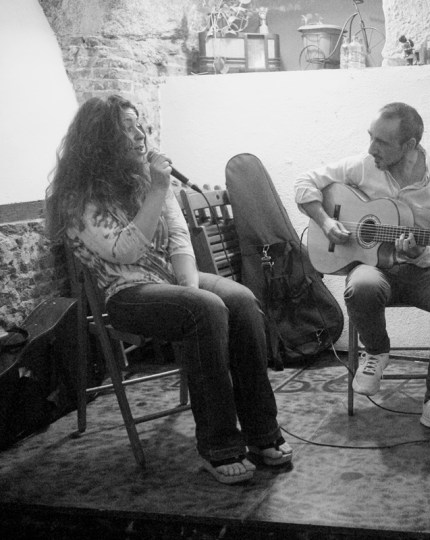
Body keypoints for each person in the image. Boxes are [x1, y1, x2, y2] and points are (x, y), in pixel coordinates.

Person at [44, 94, 292, 484]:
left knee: (241, 300)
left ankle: (262, 433)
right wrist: (158, 190)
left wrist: (191, 288)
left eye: (139, 125)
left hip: (170, 283)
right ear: (101, 139)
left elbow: (178, 238)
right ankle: (220, 446)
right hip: (126, 295)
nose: (140, 135)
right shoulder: (78, 197)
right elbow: (124, 250)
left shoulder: (145, 179)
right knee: (206, 308)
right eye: (127, 128)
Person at [294, 102, 430, 440]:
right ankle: (376, 351)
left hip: (420, 270)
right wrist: (326, 221)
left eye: (382, 142)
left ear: (410, 145)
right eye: (371, 137)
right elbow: (305, 182)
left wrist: (420, 251)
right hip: (373, 269)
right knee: (361, 286)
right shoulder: (363, 166)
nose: (372, 148)